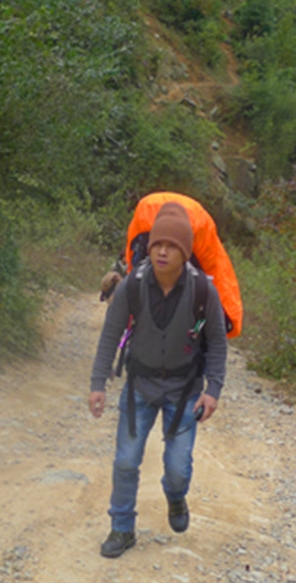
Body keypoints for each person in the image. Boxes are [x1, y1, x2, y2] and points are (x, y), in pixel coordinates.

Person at [88, 201, 228, 558]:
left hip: (184, 391)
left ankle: (176, 496)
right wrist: (98, 384)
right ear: (149, 247)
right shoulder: (131, 286)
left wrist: (213, 390)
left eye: (172, 246)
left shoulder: (203, 292)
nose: (163, 251)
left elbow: (216, 343)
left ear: (185, 252)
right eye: (157, 245)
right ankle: (122, 528)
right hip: (140, 386)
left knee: (178, 469)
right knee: (125, 460)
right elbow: (110, 335)